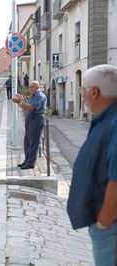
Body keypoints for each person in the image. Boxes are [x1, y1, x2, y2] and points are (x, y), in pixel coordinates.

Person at [67, 64, 117, 266]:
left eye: (83, 89)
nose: (82, 95)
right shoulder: (106, 119)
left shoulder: (114, 123)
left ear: (94, 92)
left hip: (110, 227)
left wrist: (104, 223)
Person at [12, 80, 47, 169]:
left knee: (33, 142)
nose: (29, 88)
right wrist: (22, 101)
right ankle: (27, 161)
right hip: (30, 119)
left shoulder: (40, 96)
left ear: (37, 87)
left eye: (31, 87)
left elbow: (31, 108)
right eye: (29, 86)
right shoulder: (34, 96)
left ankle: (30, 163)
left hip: (36, 120)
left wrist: (20, 102)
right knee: (27, 142)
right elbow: (26, 106)